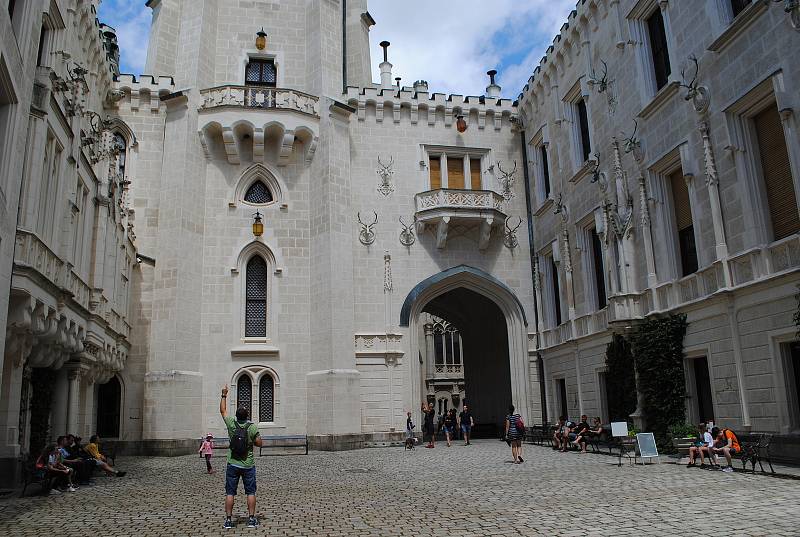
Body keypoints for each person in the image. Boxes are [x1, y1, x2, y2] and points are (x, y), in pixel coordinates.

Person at [220, 384, 263, 529]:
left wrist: (224, 394)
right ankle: (251, 519)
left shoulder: (231, 424)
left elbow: (223, 411)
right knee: (250, 492)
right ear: (247, 415)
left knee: (230, 493)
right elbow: (259, 443)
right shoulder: (252, 427)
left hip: (232, 463)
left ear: (237, 416)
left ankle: (228, 520)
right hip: (248, 464)